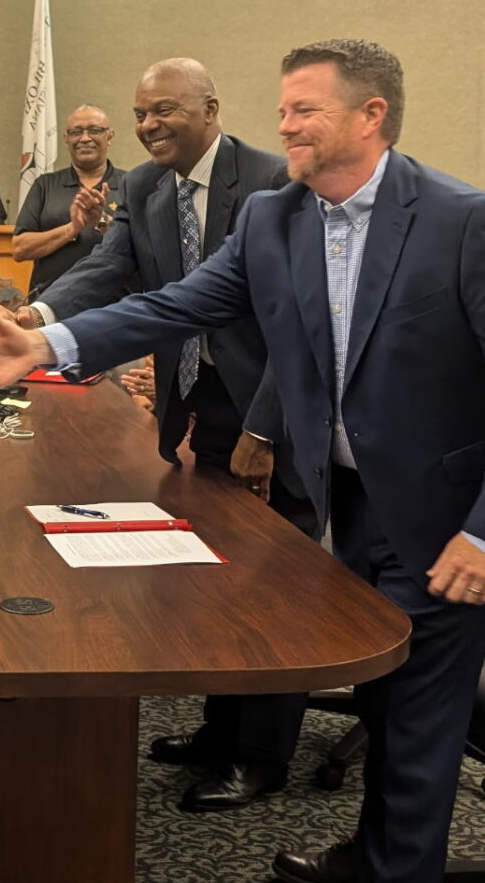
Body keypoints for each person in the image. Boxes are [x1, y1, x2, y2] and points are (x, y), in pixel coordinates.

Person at [0, 38, 485, 883]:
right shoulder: (275, 218)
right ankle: (373, 858)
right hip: (350, 510)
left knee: (414, 735)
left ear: (368, 118)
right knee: (379, 708)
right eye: (280, 111)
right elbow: (177, 302)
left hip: (451, 527)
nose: (280, 126)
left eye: (302, 111)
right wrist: (52, 343)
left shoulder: (464, 222)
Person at [20, 57, 311, 815]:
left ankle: (261, 754)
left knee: (271, 584)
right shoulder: (143, 188)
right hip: (197, 403)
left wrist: (265, 428)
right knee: (218, 571)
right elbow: (110, 273)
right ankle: (219, 729)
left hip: (269, 412)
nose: (148, 125)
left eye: (165, 111)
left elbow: (302, 325)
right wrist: (38, 320)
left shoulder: (276, 181)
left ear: (210, 108)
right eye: (140, 113)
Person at [11, 103, 128, 299]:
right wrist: (72, 229)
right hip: (50, 305)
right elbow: (20, 249)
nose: (84, 138)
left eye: (94, 130)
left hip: (114, 305)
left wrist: (100, 221)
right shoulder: (45, 185)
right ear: (66, 139)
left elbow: (143, 247)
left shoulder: (131, 185)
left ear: (110, 136)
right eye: (76, 132)